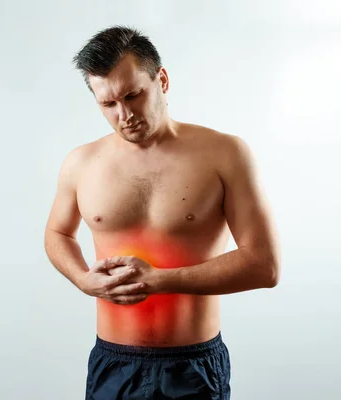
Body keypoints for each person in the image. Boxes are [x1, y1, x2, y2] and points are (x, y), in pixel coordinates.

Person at [44, 25, 281, 400]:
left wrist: (157, 280)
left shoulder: (225, 154)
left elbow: (264, 266)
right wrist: (80, 278)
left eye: (133, 95)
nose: (125, 114)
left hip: (193, 366)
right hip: (113, 362)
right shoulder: (81, 163)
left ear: (163, 80)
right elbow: (58, 233)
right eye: (108, 104)